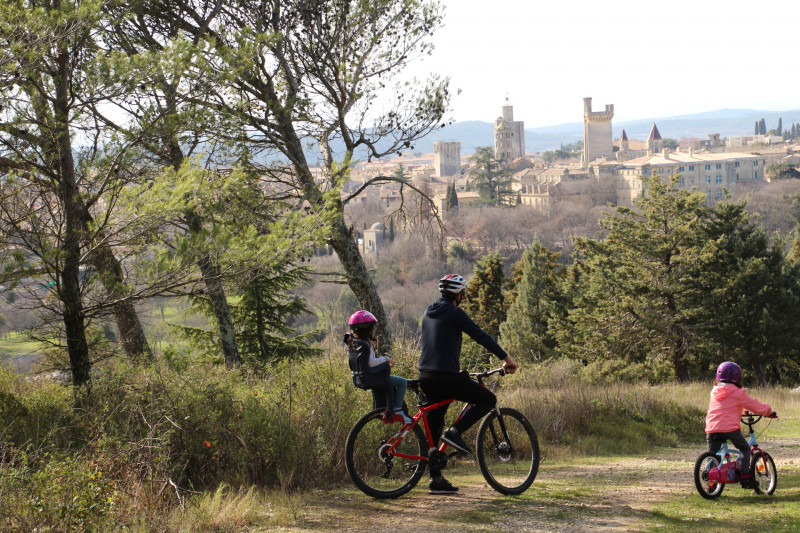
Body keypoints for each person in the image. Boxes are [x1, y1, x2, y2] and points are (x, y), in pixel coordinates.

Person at [418, 274, 518, 495]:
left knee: (434, 423)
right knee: (487, 398)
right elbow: (480, 336)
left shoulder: (428, 310)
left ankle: (436, 479)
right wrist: (506, 359)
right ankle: (455, 432)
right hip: (445, 376)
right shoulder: (455, 313)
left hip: (426, 376)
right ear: (459, 294)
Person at [705, 361, 776, 491]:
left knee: (713, 454)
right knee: (744, 449)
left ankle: (711, 483)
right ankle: (745, 477)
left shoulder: (714, 392)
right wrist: (768, 411)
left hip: (712, 428)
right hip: (730, 428)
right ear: (738, 377)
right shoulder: (738, 393)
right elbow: (755, 405)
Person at [345, 310, 411, 424]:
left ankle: (383, 408)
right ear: (368, 329)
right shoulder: (366, 344)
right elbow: (371, 363)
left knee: (395, 382)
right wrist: (386, 359)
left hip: (362, 378)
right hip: (374, 377)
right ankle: (397, 410)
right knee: (402, 382)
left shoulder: (354, 343)